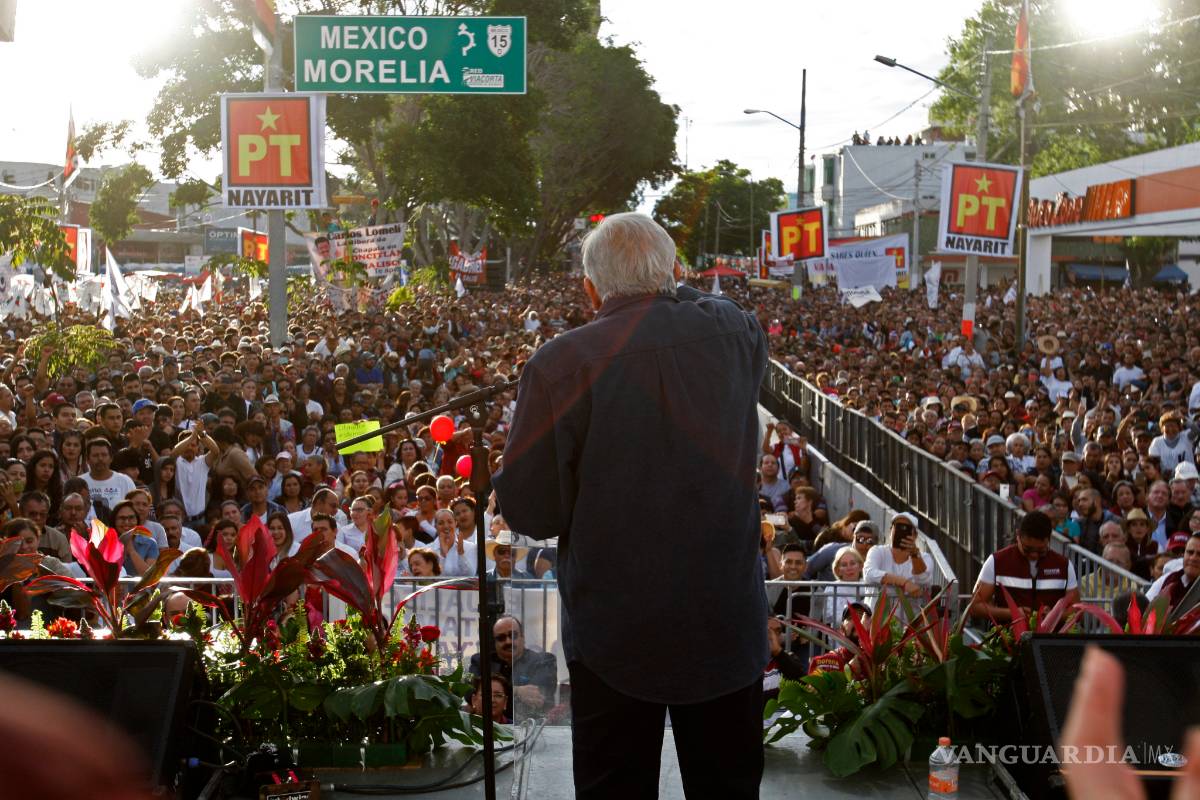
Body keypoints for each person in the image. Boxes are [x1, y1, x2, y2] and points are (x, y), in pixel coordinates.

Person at [493, 212, 767, 798]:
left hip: (615, 632)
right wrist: (667, 286)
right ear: (675, 271)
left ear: (590, 290)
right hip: (724, 622)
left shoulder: (560, 365)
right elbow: (699, 302)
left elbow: (534, 514)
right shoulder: (736, 332)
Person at [968, 510, 1080, 622]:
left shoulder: (1064, 565)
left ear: (1049, 539)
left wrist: (1054, 615)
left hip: (1050, 633)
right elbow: (975, 607)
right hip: (1008, 632)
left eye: (1041, 550)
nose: (1034, 555)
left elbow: (1077, 610)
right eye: (1027, 549)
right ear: (1018, 536)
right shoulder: (996, 561)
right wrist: (1012, 613)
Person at [467, 615, 558, 721]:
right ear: (494, 642)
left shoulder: (543, 661)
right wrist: (517, 691)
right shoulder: (481, 662)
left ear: (522, 637)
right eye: (501, 638)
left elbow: (538, 697)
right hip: (491, 726)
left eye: (513, 635)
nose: (508, 641)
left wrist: (495, 694)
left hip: (532, 727)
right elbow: (469, 693)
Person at [863, 513, 932, 611]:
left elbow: (923, 581)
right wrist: (903, 582)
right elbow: (869, 573)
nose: (901, 531)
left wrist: (914, 554)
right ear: (891, 530)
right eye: (898, 527)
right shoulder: (877, 551)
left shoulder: (925, 557)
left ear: (915, 535)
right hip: (876, 618)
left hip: (911, 619)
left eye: (906, 528)